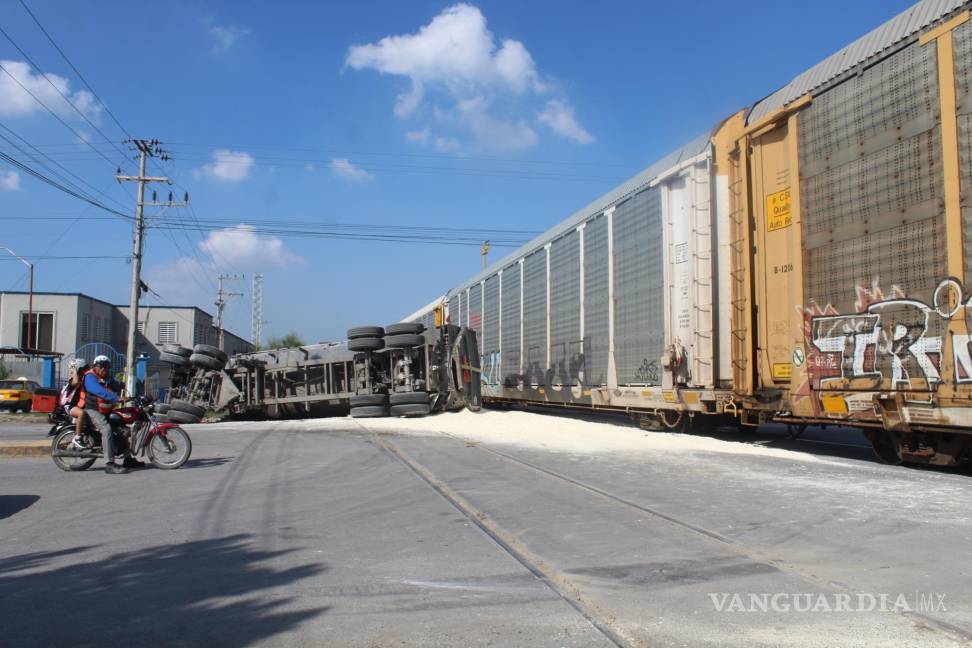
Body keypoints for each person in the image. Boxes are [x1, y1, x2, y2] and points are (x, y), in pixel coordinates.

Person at [78, 355, 128, 474]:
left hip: (105, 410)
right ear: (96, 366)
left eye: (107, 367)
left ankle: (128, 458)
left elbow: (116, 385)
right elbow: (99, 391)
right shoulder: (90, 377)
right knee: (107, 430)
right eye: (102, 367)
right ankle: (109, 464)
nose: (105, 369)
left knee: (123, 427)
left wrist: (124, 386)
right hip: (92, 410)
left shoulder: (107, 377)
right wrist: (116, 398)